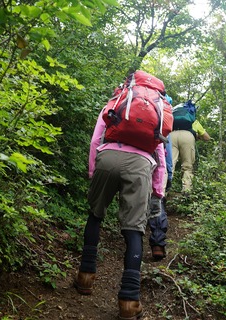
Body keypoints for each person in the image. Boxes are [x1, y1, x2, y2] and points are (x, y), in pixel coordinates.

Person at [73, 88, 167, 320]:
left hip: (107, 157)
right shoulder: (157, 111)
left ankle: (86, 276)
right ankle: (129, 300)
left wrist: (94, 170)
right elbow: (160, 154)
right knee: (134, 230)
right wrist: (158, 188)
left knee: (95, 215)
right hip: (141, 164)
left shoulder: (117, 103)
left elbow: (97, 138)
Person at [147, 94, 174, 260]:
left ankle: (131, 240)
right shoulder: (163, 118)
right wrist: (168, 176)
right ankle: (157, 243)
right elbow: (167, 154)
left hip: (134, 162)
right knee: (156, 201)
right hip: (156, 165)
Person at [170, 103, 210, 193]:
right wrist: (197, 137)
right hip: (187, 137)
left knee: (169, 165)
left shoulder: (173, 119)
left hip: (171, 136)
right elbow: (207, 138)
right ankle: (186, 191)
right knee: (187, 166)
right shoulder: (193, 121)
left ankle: (162, 192)